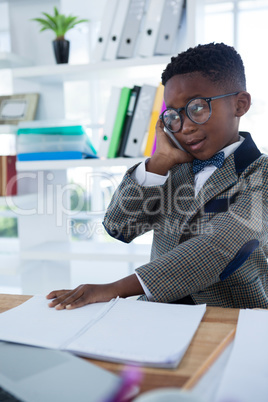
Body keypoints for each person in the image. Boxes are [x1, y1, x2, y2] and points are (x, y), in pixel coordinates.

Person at [47, 42, 268, 310]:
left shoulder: (261, 173)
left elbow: (218, 247)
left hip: (233, 319)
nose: (184, 127)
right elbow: (119, 227)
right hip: (159, 314)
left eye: (197, 107)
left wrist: (116, 289)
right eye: (174, 115)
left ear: (240, 104)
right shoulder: (173, 169)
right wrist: (159, 163)